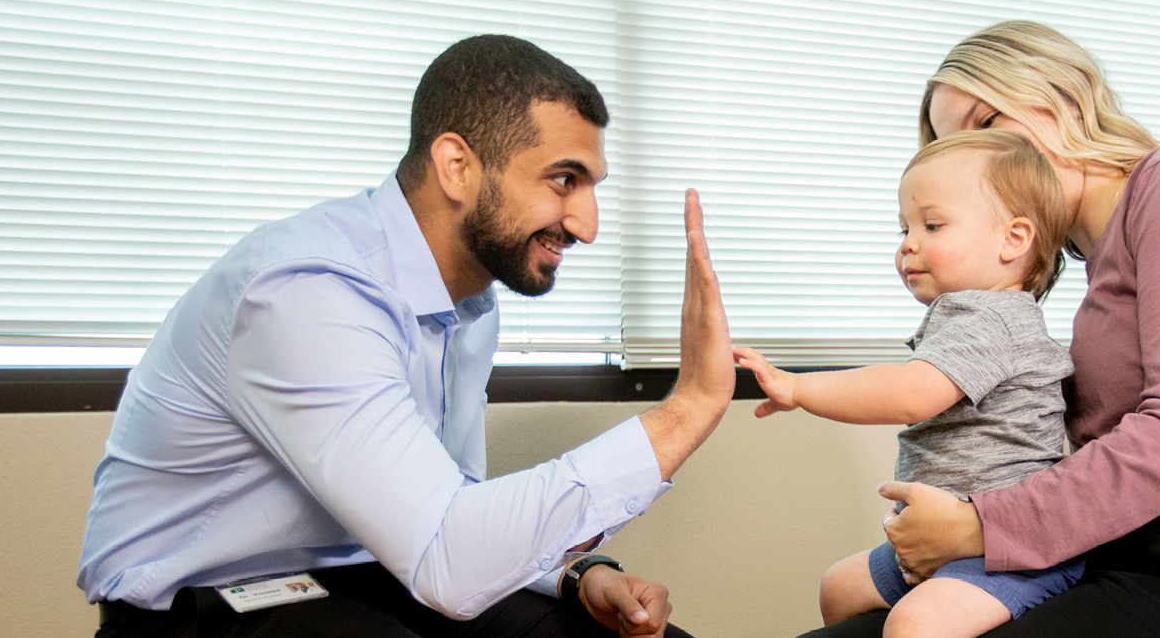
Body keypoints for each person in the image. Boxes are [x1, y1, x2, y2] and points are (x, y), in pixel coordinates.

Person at [78, 35, 737, 638]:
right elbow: (446, 556)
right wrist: (688, 408)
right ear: (456, 166)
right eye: (564, 180)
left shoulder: (469, 302)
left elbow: (445, 509)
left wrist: (574, 575)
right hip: (203, 605)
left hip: (378, 576)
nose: (587, 225)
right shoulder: (309, 291)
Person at [801, 20, 1160, 637]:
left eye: (987, 122)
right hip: (1116, 550)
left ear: (1065, 95)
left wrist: (980, 524)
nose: (982, 160)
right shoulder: (1086, 282)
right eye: (957, 150)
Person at [733, 129, 1084, 638]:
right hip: (949, 542)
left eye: (933, 225)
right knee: (840, 587)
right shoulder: (964, 316)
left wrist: (798, 389)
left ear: (1014, 238)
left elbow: (909, 392)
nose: (908, 244)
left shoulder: (996, 320)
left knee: (915, 623)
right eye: (903, 229)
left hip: (1010, 553)